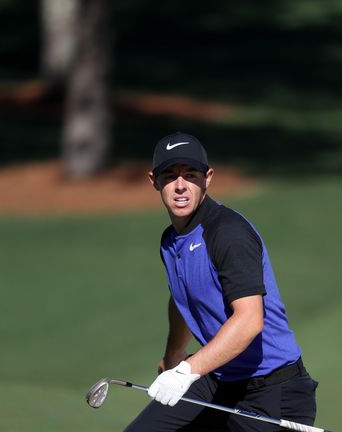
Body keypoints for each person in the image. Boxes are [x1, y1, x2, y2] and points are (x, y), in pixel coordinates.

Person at [124, 132, 319, 432]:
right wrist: (174, 356)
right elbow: (183, 297)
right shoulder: (171, 241)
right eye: (170, 176)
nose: (180, 186)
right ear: (154, 181)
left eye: (190, 175)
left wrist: (187, 371)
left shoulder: (228, 234)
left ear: (208, 178)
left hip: (272, 392)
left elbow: (250, 321)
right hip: (218, 381)